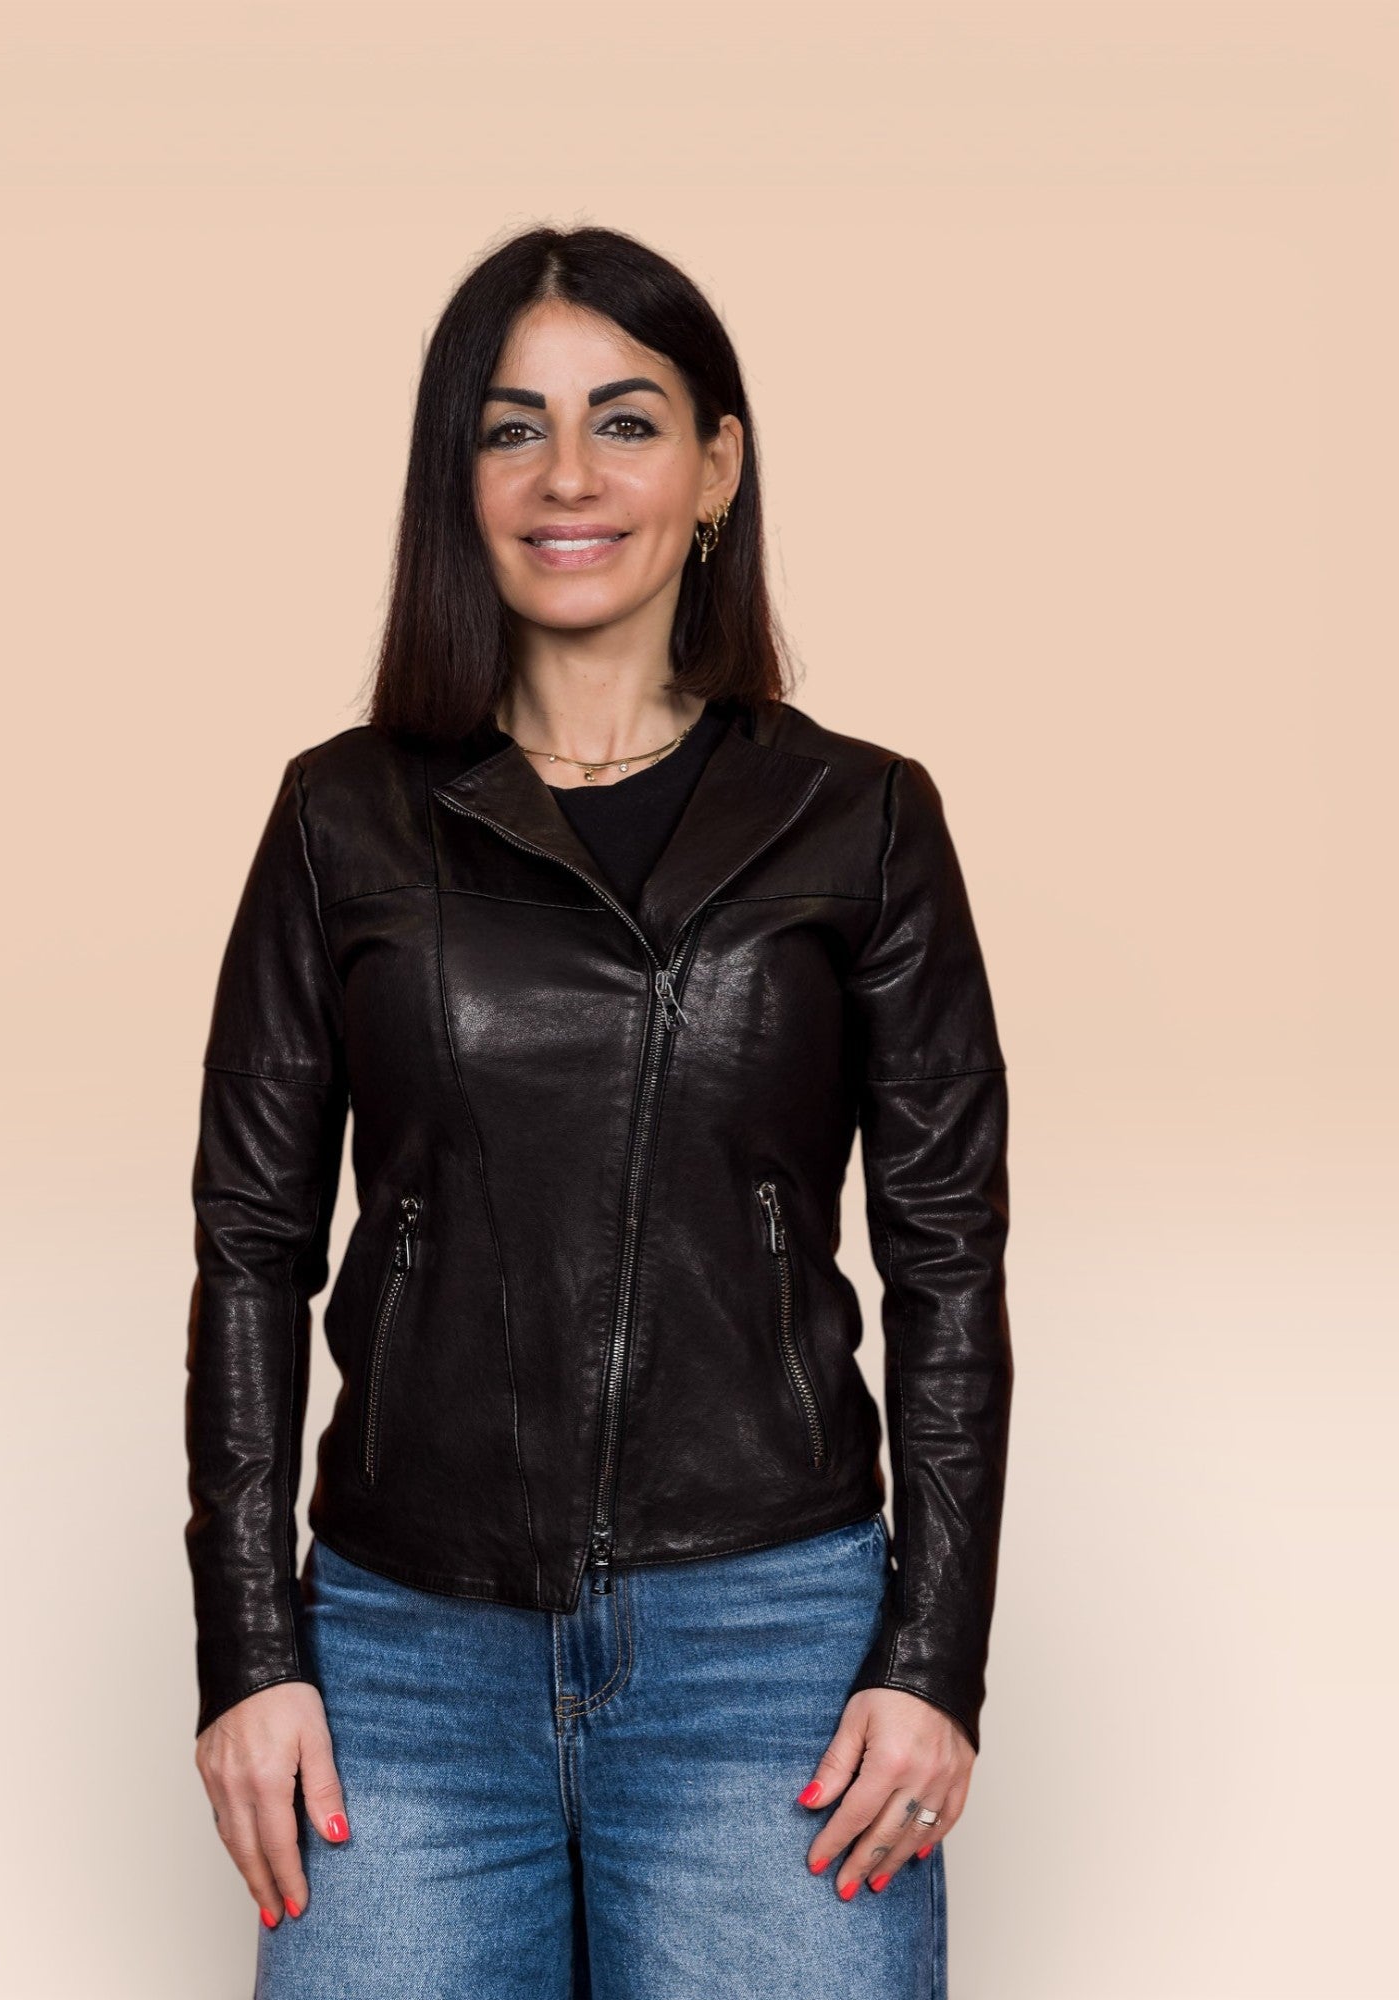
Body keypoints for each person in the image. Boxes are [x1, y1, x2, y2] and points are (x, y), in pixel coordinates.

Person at [184, 223, 1012, 2000]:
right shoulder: (340, 818)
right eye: (513, 428)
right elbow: (250, 1249)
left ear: (716, 466)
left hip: (771, 1646)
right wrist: (251, 1651)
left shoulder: (863, 820)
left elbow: (949, 1265)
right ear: (459, 479)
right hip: (403, 1657)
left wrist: (933, 1658)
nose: (570, 474)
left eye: (626, 420)